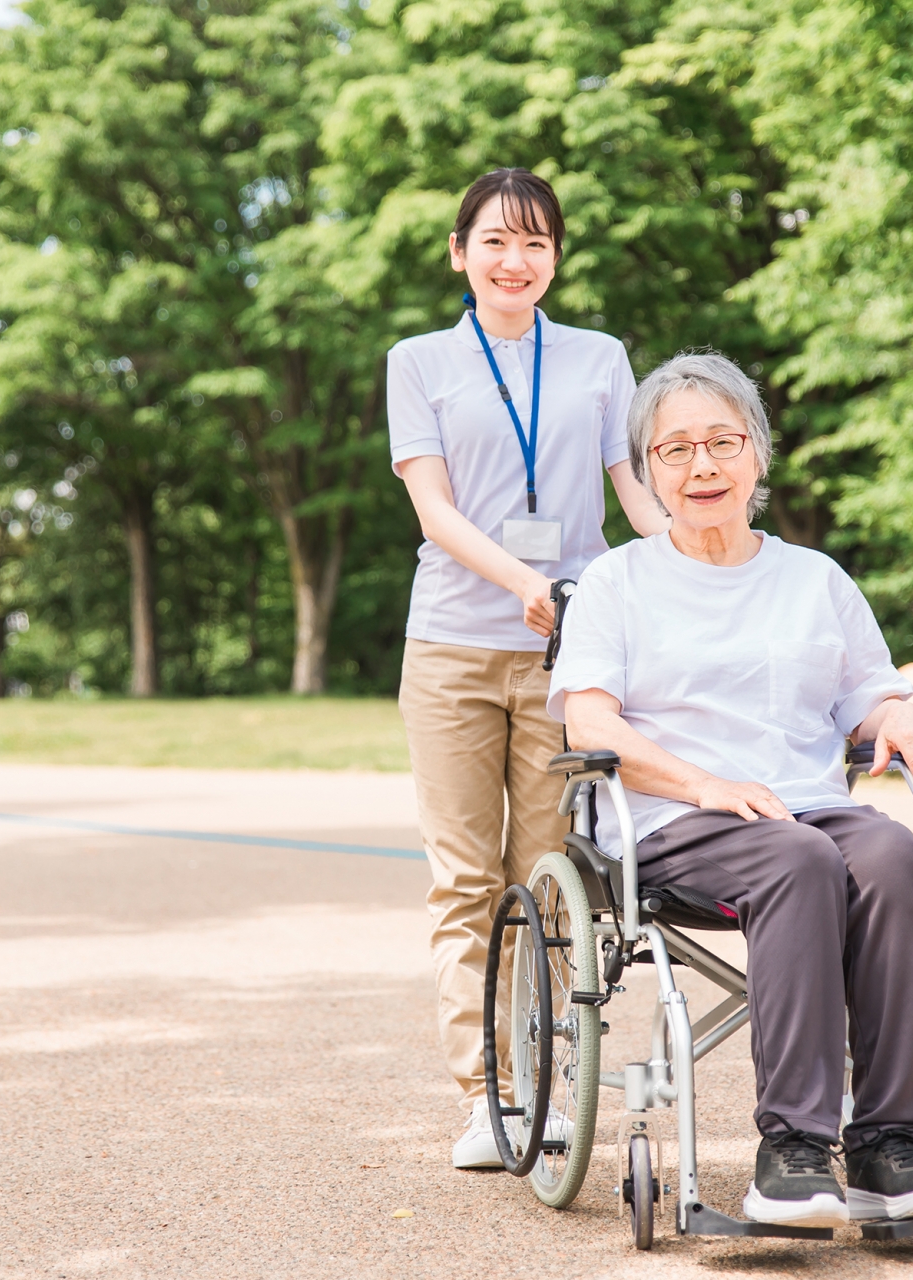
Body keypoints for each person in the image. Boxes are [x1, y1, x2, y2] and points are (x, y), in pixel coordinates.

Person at [546, 351, 913, 1226]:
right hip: (675, 815)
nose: (702, 466)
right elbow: (591, 726)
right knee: (799, 858)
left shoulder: (815, 579)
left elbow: (868, 692)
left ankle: (890, 1142)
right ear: (648, 471)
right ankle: (793, 1150)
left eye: (722, 442)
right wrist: (705, 784)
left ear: (757, 457)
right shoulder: (614, 584)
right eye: (675, 451)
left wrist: (896, 716)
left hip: (806, 805)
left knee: (892, 853)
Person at [388, 169, 670, 1170]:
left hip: (571, 650)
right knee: (466, 879)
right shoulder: (419, 361)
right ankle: (484, 1096)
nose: (518, 261)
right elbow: (434, 509)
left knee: (549, 876)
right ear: (459, 252)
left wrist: (691, 558)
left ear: (557, 257)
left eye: (538, 244)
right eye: (498, 242)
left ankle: (543, 1081)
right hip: (455, 649)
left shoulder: (599, 359)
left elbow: (635, 484)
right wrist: (527, 577)